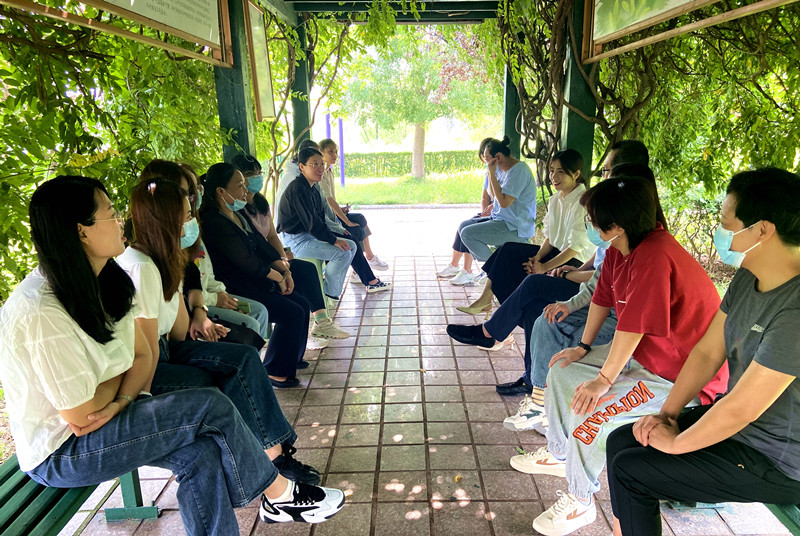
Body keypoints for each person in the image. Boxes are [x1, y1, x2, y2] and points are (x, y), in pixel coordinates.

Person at [0, 175, 344, 536]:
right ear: (81, 231)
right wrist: (124, 383)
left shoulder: (105, 280)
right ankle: (278, 493)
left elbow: (141, 356)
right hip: (63, 451)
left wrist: (121, 398)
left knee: (202, 453)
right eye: (111, 213)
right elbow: (83, 414)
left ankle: (270, 496)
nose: (121, 222)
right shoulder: (42, 311)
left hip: (111, 415)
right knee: (208, 404)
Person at [510, 177, 729, 536]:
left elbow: (633, 327)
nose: (589, 225)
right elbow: (602, 298)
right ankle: (559, 453)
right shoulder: (618, 248)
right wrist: (582, 348)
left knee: (592, 412)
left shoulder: (655, 256)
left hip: (678, 377)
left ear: (617, 225)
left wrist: (603, 380)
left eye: (593, 220)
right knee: (562, 369)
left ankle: (580, 501)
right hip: (646, 358)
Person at [606, 168, 800, 536]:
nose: (720, 232)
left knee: (632, 471)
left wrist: (677, 443)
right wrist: (666, 415)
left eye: (727, 224)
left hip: (779, 459)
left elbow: (742, 408)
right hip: (744, 431)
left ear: (762, 230)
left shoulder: (795, 308)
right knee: (622, 441)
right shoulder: (749, 276)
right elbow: (708, 353)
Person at [225, 156, 350, 341]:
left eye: (258, 172)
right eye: (249, 174)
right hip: (258, 268)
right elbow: (252, 250)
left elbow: (271, 236)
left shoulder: (260, 202)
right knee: (295, 302)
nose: (256, 178)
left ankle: (321, 322)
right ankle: (305, 329)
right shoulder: (235, 211)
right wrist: (279, 267)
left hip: (271, 258)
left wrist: (282, 258)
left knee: (305, 270)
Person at [278, 147, 391, 295]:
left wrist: (336, 234)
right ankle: (328, 292)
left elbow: (320, 219)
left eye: (321, 164)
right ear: (302, 167)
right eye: (314, 164)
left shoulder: (312, 187)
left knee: (351, 245)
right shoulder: (298, 188)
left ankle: (329, 288)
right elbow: (312, 223)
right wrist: (333, 239)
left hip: (308, 236)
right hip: (296, 241)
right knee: (343, 252)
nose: (320, 169)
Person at [451, 135, 539, 285]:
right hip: (500, 220)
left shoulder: (519, 170)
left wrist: (492, 173)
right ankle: (494, 267)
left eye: (487, 158)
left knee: (468, 234)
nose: (486, 163)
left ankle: (495, 270)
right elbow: (494, 196)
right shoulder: (503, 170)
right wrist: (492, 174)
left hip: (515, 228)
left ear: (497, 157)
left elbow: (504, 203)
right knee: (464, 226)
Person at [319, 138, 389, 270]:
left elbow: (331, 201)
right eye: (330, 152)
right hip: (328, 220)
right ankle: (359, 268)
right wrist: (347, 221)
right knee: (355, 229)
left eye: (336, 152)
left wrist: (340, 210)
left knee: (360, 218)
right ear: (320, 152)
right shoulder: (320, 174)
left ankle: (369, 257)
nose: (335, 155)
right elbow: (329, 201)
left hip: (333, 215)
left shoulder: (329, 172)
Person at [437, 137, 496, 282]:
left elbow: (503, 200)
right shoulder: (488, 171)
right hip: (490, 214)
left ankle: (468, 270)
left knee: (469, 230)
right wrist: (483, 214)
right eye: (484, 156)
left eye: (488, 156)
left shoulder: (502, 172)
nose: (486, 159)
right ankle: (456, 266)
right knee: (464, 226)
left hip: (501, 217)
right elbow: (485, 197)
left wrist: (491, 210)